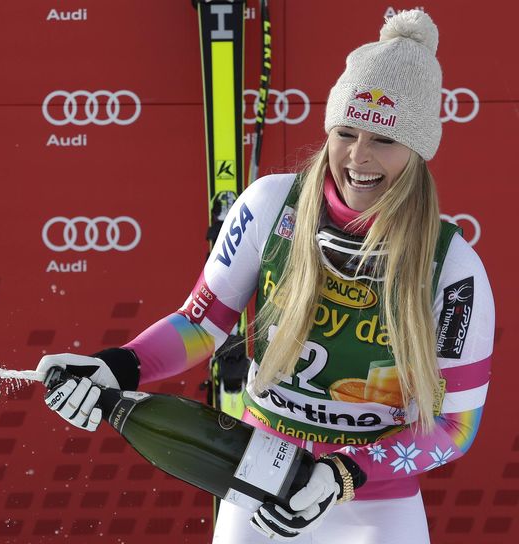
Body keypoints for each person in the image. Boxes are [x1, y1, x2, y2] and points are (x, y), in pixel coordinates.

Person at [37, 9, 494, 543]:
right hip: (256, 482)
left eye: (384, 141)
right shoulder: (271, 206)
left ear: (417, 153)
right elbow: (200, 324)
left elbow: (453, 427)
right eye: (345, 132)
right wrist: (119, 366)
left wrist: (340, 475)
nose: (358, 157)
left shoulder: (451, 267)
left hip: (375, 506)